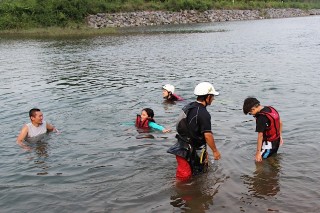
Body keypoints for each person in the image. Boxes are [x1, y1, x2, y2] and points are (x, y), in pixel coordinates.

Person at [167, 82, 221, 180]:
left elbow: (193, 130)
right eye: (212, 96)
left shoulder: (190, 106)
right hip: (188, 152)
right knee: (184, 179)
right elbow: (207, 135)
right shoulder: (203, 113)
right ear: (207, 97)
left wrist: (203, 151)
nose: (213, 99)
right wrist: (215, 151)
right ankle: (180, 193)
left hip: (182, 147)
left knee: (195, 175)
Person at [243, 97, 283, 162]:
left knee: (259, 161)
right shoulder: (271, 109)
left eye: (250, 113)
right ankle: (275, 170)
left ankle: (261, 172)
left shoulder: (261, 117)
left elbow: (260, 135)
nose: (251, 114)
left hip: (269, 145)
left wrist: (258, 153)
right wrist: (280, 136)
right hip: (277, 140)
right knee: (272, 159)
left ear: (253, 109)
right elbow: (280, 122)